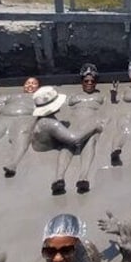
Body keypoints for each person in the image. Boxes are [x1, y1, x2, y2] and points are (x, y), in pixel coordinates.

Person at [24, 86, 105, 193]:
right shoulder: (52, 123)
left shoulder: (43, 120)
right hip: (48, 147)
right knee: (82, 140)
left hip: (44, 144)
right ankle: (81, 176)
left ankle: (60, 178)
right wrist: (94, 127)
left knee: (67, 143)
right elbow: (75, 139)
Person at [55, 63, 104, 193]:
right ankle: (59, 178)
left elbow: (111, 107)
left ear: (96, 82)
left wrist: (114, 95)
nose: (89, 83)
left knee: (90, 142)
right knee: (66, 145)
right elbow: (61, 107)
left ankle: (83, 177)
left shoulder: (100, 96)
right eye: (86, 81)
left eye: (92, 81)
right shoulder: (74, 97)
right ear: (81, 81)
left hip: (90, 123)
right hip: (75, 122)